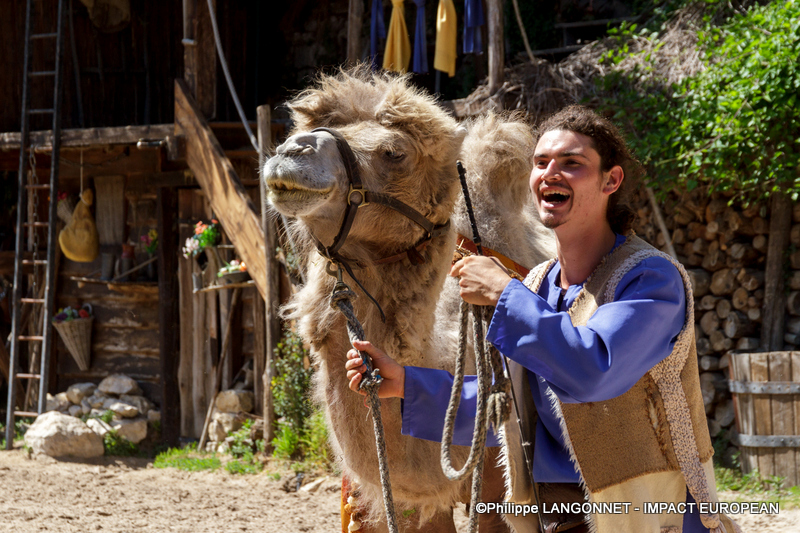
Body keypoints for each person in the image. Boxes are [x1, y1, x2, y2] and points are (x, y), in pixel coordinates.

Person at [346, 106, 738, 533]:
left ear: (611, 180)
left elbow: (592, 370)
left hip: (650, 515)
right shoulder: (538, 284)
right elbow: (509, 404)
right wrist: (405, 383)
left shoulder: (650, 279)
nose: (551, 172)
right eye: (541, 162)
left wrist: (503, 292)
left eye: (572, 163)